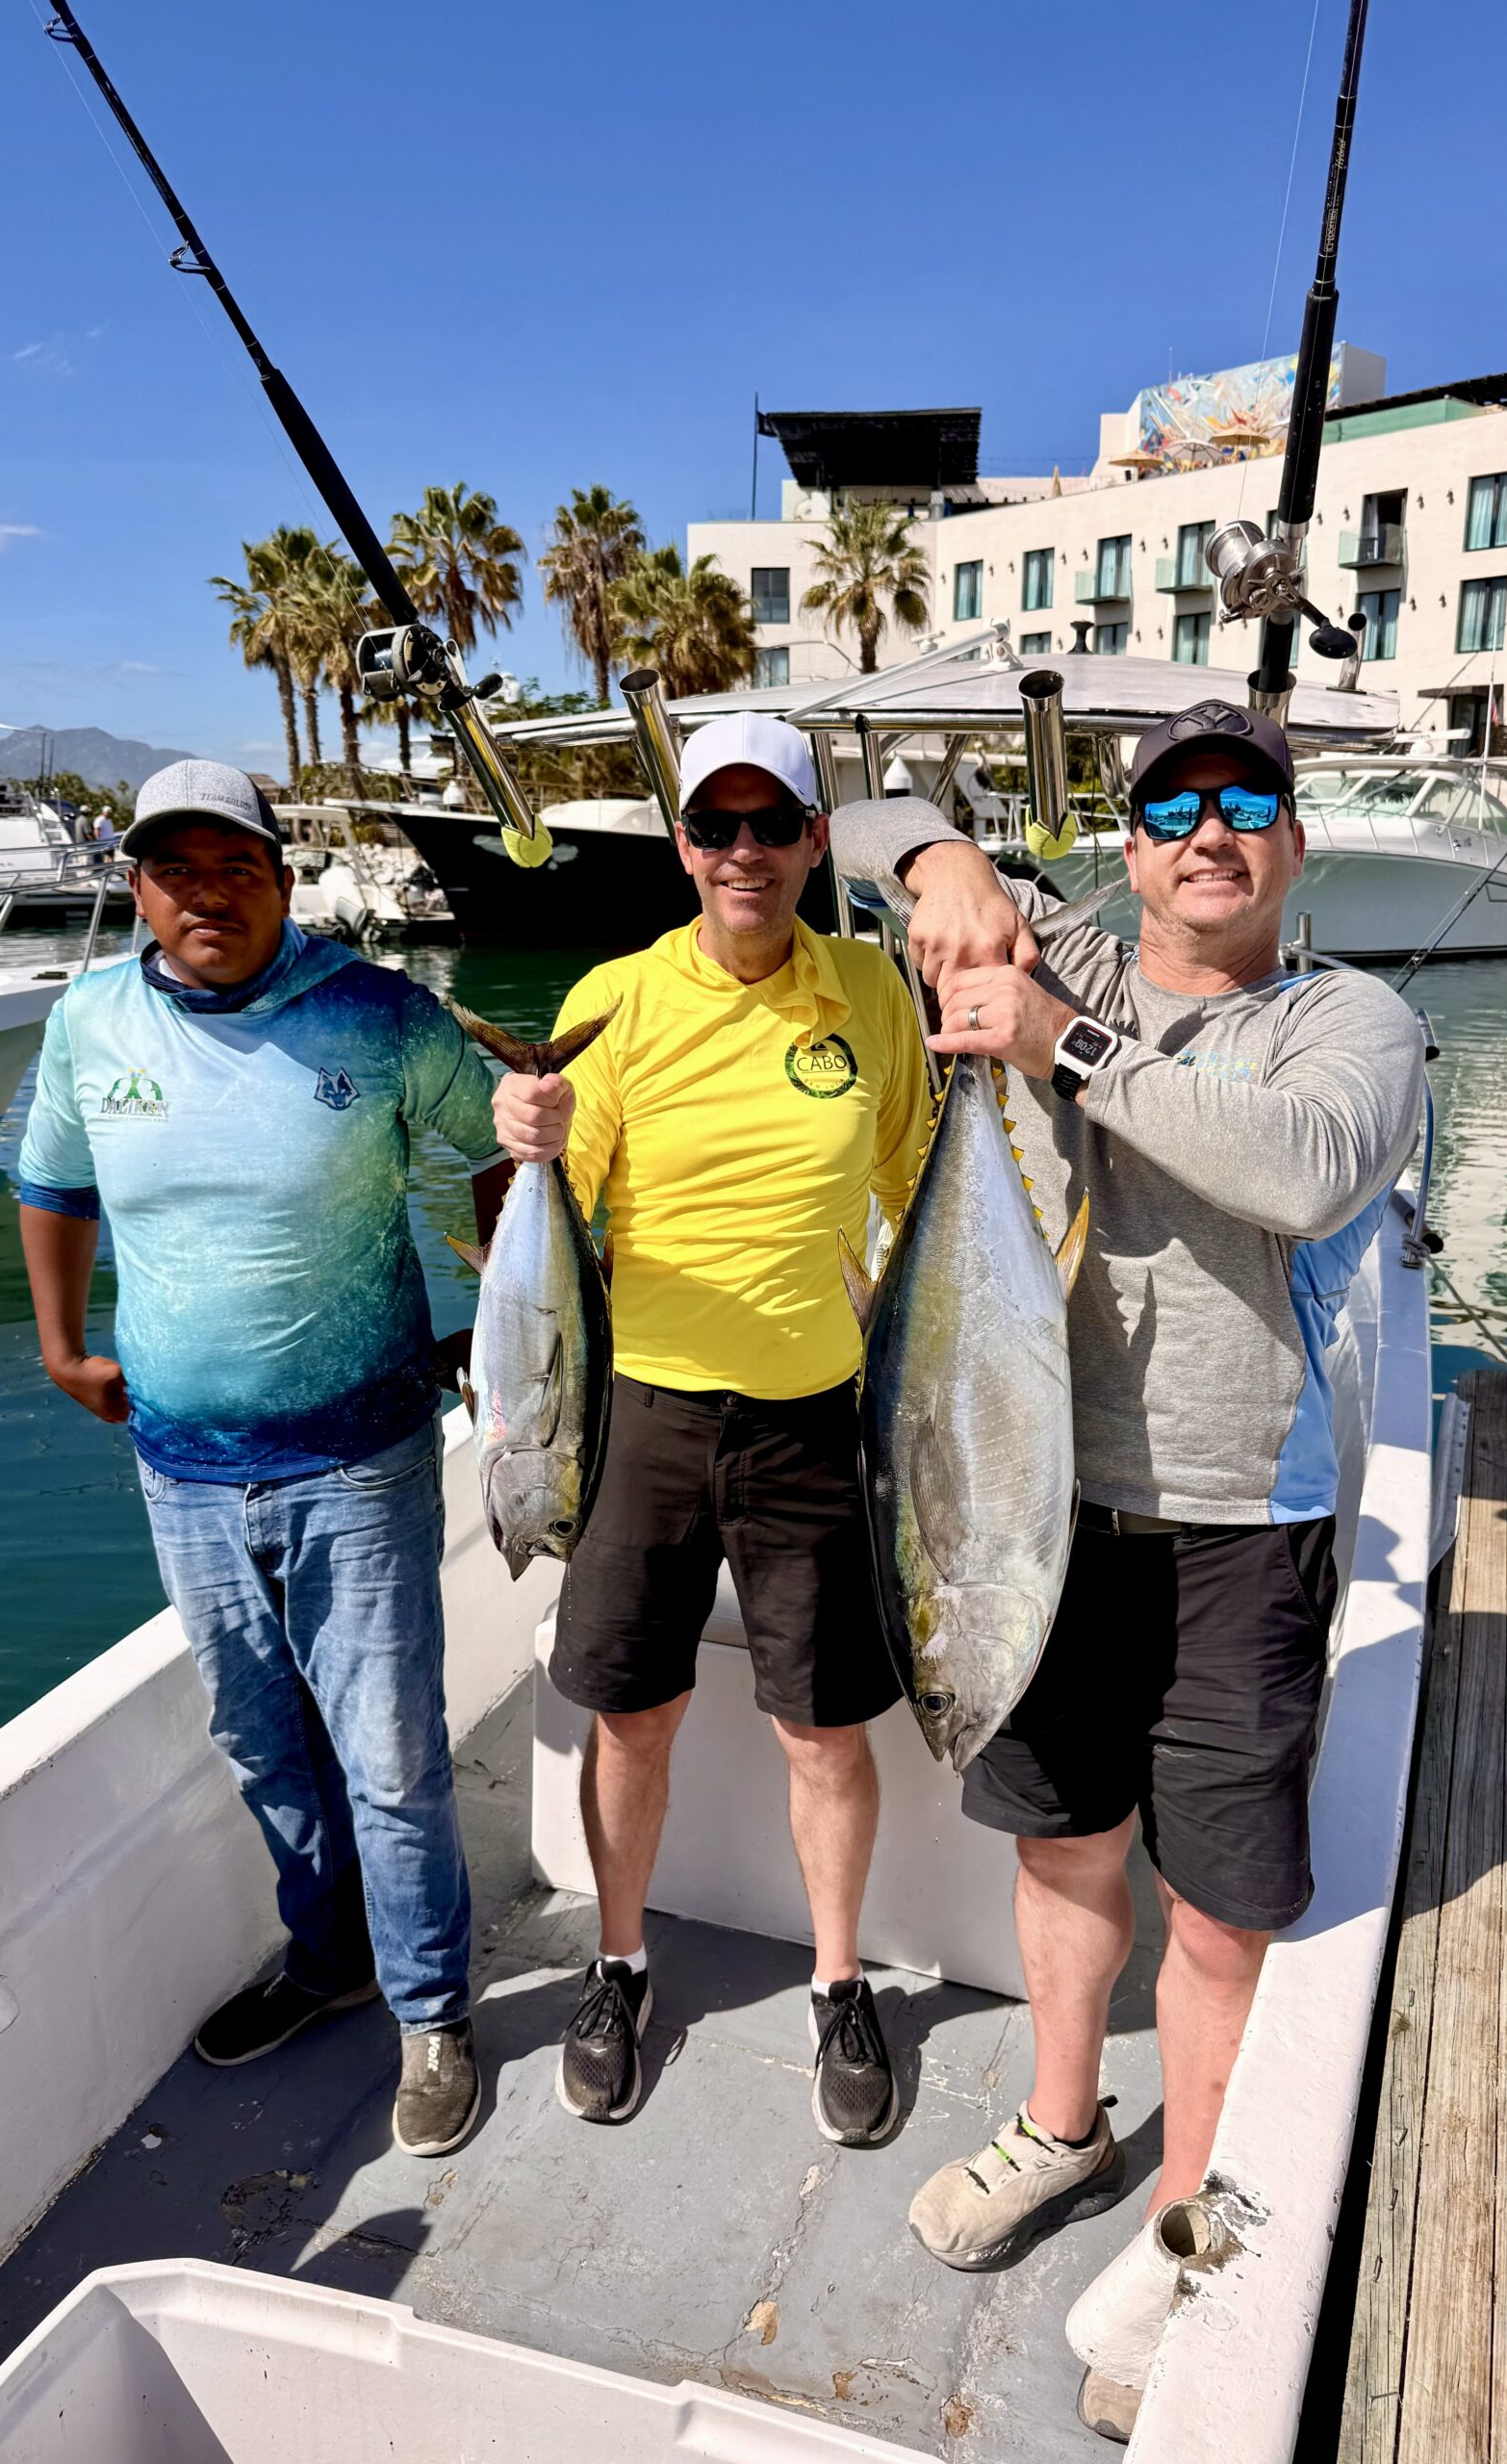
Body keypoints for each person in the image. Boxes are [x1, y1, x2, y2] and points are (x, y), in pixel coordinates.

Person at [830, 698, 1424, 2441]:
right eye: (1174, 806)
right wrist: (941, 861)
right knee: (1065, 1845)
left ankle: (1198, 2236)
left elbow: (1306, 1177)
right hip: (1033, 1511)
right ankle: (1065, 2123)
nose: (1210, 830)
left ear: (1292, 849)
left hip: (1245, 1526)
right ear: (1135, 844)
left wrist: (1065, 1048)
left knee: (1227, 1913)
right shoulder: (1064, 938)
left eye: (1250, 803)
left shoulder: (1352, 1022)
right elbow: (862, 819)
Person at [16, 758, 502, 2161]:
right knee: (258, 1738)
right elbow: (49, 1184)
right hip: (180, 1467)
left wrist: (504, 1317)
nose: (208, 895)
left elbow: (501, 1143)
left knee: (392, 1750)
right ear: (137, 888)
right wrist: (58, 1348)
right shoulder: (90, 1017)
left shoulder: (375, 1010)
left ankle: (429, 2013)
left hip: (360, 1459)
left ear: (283, 880)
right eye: (177, 871)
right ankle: (326, 1953)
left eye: (236, 866)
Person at [493, 712, 932, 2146]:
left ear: (816, 839)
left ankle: (839, 1983)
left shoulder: (865, 988)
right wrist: (529, 1156)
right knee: (633, 1711)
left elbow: (918, 1173)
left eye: (771, 826)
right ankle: (617, 1967)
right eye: (715, 827)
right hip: (646, 1414)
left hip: (816, 1418)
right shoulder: (616, 995)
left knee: (824, 1733)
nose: (743, 852)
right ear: (683, 845)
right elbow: (569, 1220)